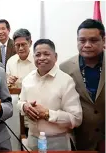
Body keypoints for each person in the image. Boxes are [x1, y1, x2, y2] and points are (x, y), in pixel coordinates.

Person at [17, 39, 82, 150]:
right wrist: (24, 106)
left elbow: (76, 118)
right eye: (38, 55)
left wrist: (48, 114)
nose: (42, 58)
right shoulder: (27, 79)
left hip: (58, 141)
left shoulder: (66, 81)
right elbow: (20, 102)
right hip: (33, 140)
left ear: (55, 57)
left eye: (46, 54)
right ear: (34, 58)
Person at [60, 19, 105, 151]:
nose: (87, 45)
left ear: (104, 40)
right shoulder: (65, 68)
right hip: (79, 139)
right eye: (82, 40)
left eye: (93, 40)